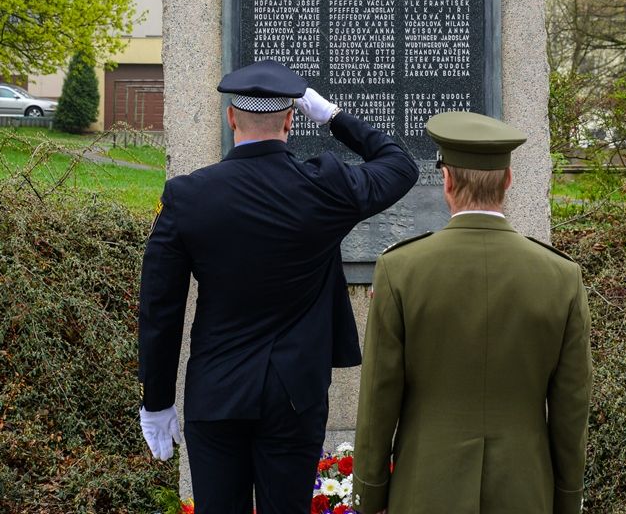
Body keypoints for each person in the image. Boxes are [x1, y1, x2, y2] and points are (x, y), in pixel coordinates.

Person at [137, 58, 419, 514]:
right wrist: (331, 115)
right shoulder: (326, 187)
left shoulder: (187, 196)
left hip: (217, 389)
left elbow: (159, 308)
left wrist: (157, 400)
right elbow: (400, 165)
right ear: (291, 118)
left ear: (231, 118)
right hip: (295, 394)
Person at [352, 110, 592, 514]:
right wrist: (567, 497)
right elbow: (571, 404)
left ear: (446, 182)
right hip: (525, 488)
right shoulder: (561, 276)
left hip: (425, 488)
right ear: (508, 181)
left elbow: (380, 393)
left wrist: (370, 490)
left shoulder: (401, 268)